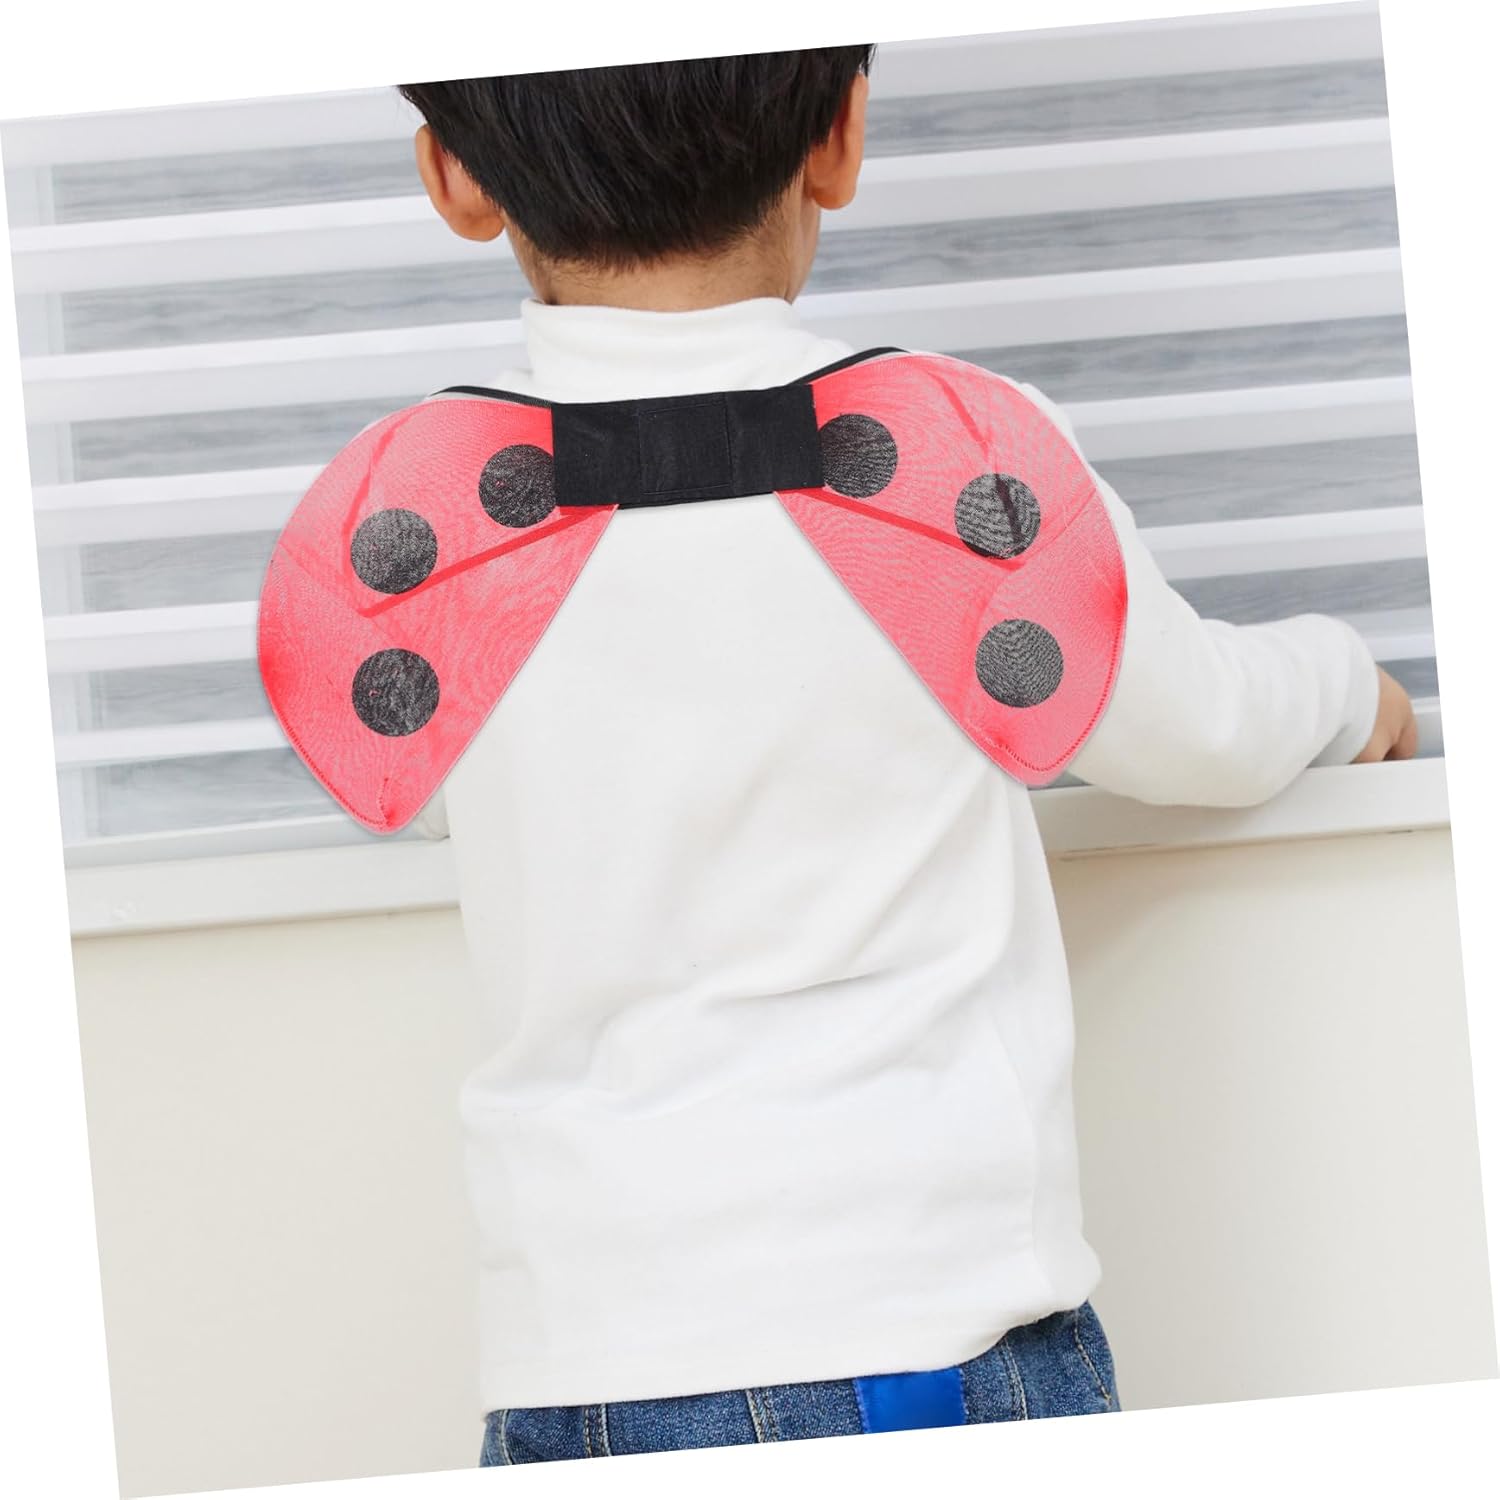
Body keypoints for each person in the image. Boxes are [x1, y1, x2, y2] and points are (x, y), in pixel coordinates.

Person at [389, 47, 1416, 1465]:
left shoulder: (427, 513)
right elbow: (1196, 727)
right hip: (918, 1340)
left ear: (454, 175)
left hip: (582, 1367)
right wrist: (1350, 685)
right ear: (838, 134)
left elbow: (427, 790)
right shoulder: (944, 457)